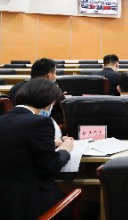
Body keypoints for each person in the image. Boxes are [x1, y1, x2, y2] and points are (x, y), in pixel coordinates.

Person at [0, 78, 81, 219]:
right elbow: (51, 166)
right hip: (31, 206)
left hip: (6, 205)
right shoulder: (40, 122)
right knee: (91, 207)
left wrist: (54, 142)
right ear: (49, 102)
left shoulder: (4, 119)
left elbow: (20, 142)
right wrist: (65, 149)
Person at [9, 58, 64, 146]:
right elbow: (62, 114)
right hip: (45, 134)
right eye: (55, 73)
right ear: (49, 76)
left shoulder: (15, 88)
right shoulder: (50, 92)